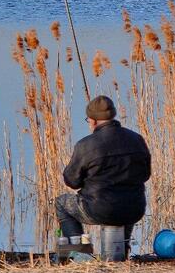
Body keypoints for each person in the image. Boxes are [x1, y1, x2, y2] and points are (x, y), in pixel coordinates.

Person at [55, 95, 151, 248]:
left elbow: (71, 181)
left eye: (88, 120)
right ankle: (122, 250)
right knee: (126, 202)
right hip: (135, 207)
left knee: (61, 203)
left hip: (99, 208)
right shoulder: (137, 139)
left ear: (93, 120)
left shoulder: (86, 145)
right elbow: (145, 174)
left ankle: (80, 253)